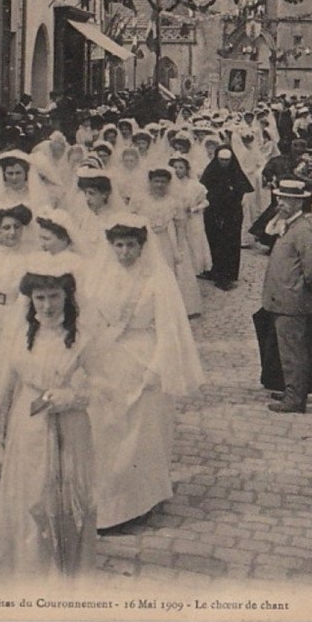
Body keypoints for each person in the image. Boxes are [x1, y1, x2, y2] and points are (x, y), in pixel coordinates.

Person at [84, 214, 204, 530]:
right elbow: (91, 321)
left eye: (131, 245)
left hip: (143, 357)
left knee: (142, 435)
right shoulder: (100, 277)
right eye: (119, 245)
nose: (124, 252)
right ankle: (110, 505)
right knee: (107, 432)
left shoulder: (156, 280)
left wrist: (157, 366)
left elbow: (168, 328)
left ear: (142, 246)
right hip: (107, 361)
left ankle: (141, 500)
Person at [0, 254, 96, 578]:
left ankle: (66, 575)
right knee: (30, 494)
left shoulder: (82, 337)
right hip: (28, 423)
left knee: (68, 498)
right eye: (40, 298)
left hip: (70, 427)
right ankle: (29, 573)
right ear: (30, 299)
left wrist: (74, 396)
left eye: (54, 297)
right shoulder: (18, 337)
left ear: (67, 297)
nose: (47, 306)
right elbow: (3, 390)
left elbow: (105, 385)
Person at [261, 180, 312, 413]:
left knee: (293, 352)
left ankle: (295, 399)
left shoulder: (304, 229)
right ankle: (292, 390)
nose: (280, 202)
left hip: (292, 300)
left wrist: (307, 293)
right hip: (282, 297)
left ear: (298, 201)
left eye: (285, 199)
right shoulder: (288, 223)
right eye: (279, 197)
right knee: (286, 350)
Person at [130, 166, 202, 318]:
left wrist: (180, 247)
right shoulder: (139, 199)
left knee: (165, 272)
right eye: (156, 181)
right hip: (143, 241)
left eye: (163, 182)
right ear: (150, 182)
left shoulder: (173, 202)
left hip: (164, 241)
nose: (159, 185)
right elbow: (131, 220)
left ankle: (165, 307)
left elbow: (180, 225)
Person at [0, 204, 35, 353]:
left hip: (15, 313)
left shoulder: (29, 256)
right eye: (6, 228)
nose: (12, 232)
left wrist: (16, 316)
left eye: (17, 227)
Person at [199, 145, 254, 290]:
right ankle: (214, 271)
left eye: (227, 160)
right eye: (221, 160)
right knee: (214, 241)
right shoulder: (211, 172)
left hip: (232, 214)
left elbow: (243, 189)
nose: (224, 163)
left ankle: (227, 274)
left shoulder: (236, 173)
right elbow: (203, 190)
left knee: (229, 243)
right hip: (214, 213)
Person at [168, 156, 212, 277]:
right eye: (175, 167)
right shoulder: (168, 185)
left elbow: (205, 202)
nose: (177, 170)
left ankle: (194, 270)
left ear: (187, 169)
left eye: (181, 167)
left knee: (193, 243)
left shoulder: (195, 186)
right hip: (175, 220)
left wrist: (194, 208)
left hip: (192, 219)